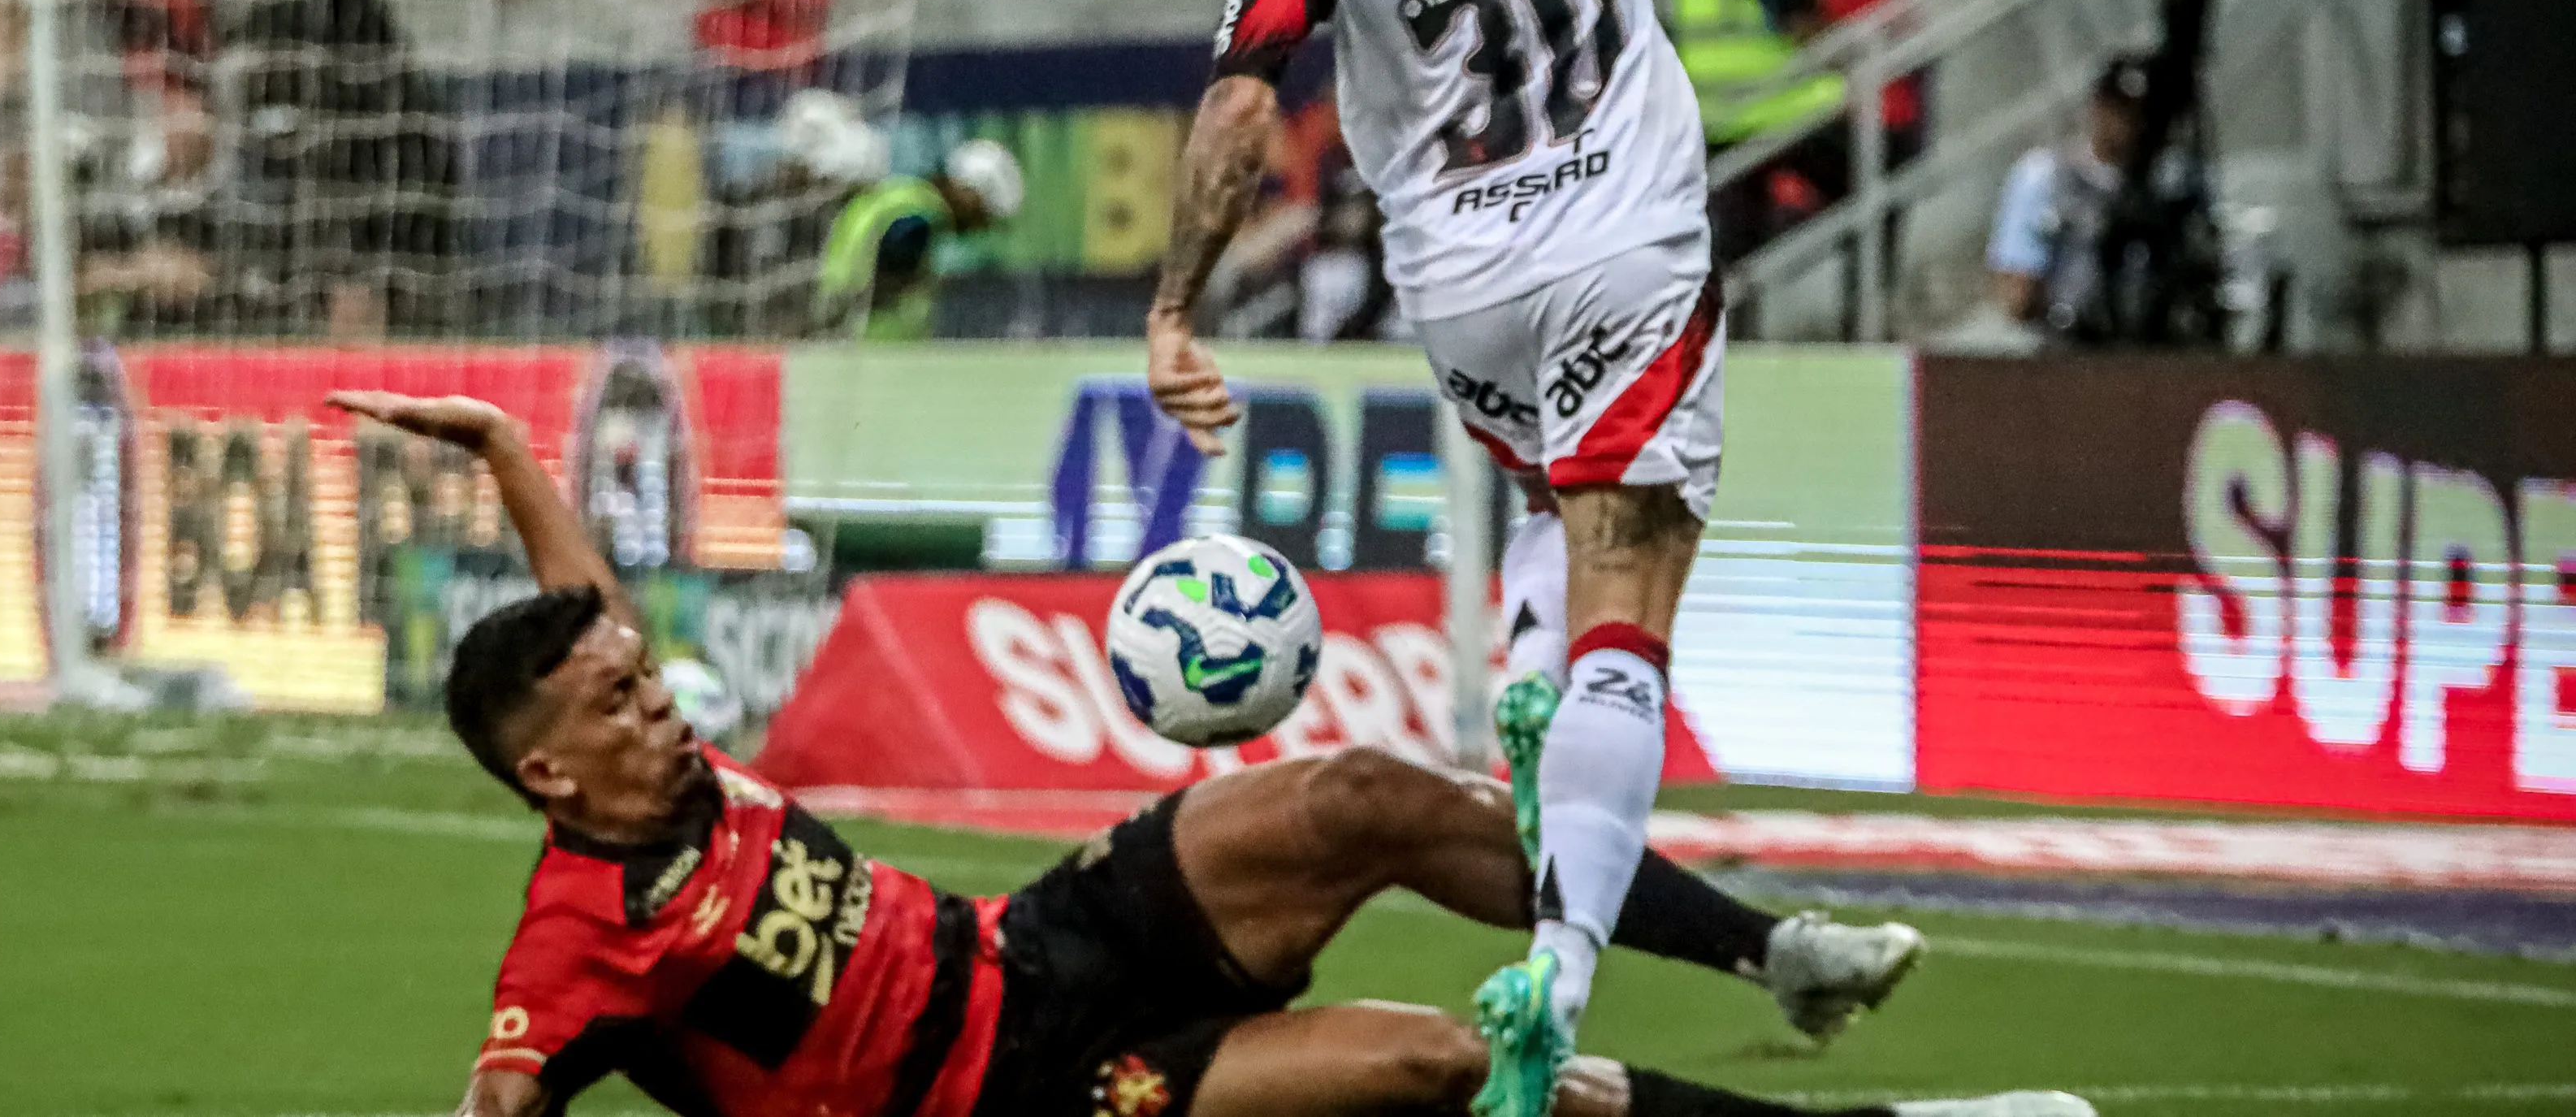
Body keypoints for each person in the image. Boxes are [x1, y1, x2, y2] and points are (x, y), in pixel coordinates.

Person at [327, 390, 2080, 1117]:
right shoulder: (575, 944)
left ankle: (1774, 954)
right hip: (1018, 1106)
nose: (659, 700)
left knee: (1365, 797)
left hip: (1033, 949)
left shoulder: (644, 755)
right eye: (620, 706)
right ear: (548, 777)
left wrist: (497, 444)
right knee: (1425, 1067)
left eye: (642, 679)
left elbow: (579, 614)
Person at [1144, 0, 1820, 1114]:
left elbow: (1240, 114)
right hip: (1620, 234)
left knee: (1547, 520)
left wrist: (1176, 307)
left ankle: (1528, 705)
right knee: (1625, 596)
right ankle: (1559, 982)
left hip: (1459, 288)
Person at [1663, 0, 1846, 262]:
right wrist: (1845, 52)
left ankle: (1742, 319)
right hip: (1781, 104)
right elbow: (1795, 14)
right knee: (1881, 161)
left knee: (1733, 240)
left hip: (1711, 109)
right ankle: (1865, 296)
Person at [1985, 58, 2142, 342]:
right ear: (2098, 107)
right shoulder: (2046, 176)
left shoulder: (2168, 182)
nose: (2129, 124)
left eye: (2139, 113)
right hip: (2063, 337)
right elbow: (2017, 295)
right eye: (2119, 110)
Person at [816, 140, 1024, 340]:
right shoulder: (921, 219)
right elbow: (886, 278)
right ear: (966, 192)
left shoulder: (898, 195)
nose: (978, 228)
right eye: (982, 214)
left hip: (845, 338)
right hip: (874, 349)